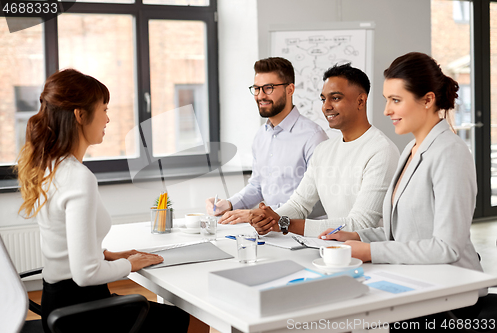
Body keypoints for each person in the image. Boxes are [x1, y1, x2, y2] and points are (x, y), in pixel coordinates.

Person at [15, 69, 201, 333]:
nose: (108, 118)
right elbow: (85, 274)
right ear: (80, 115)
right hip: (82, 314)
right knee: (194, 319)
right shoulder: (78, 177)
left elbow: (62, 240)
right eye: (103, 109)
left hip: (58, 304)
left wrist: (106, 256)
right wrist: (130, 264)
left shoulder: (50, 167)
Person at [320, 52, 485, 328]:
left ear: (428, 100)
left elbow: (447, 247)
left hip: (452, 301)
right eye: (386, 100)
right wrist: (357, 236)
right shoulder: (410, 149)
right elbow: (405, 231)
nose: (386, 110)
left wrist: (370, 250)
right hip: (417, 287)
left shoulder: (451, 153)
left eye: (396, 100)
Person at [249, 63, 400, 236]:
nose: (326, 106)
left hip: (370, 256)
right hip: (331, 250)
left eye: (335, 98)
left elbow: (359, 225)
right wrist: (268, 219)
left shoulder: (381, 151)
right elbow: (299, 205)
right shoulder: (324, 150)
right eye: (323, 99)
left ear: (360, 100)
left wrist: (283, 223)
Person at [205, 57, 328, 224]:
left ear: (290, 89)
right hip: (272, 228)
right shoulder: (261, 136)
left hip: (305, 232)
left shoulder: (313, 137)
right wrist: (229, 204)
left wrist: (258, 214)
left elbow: (318, 198)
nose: (260, 96)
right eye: (256, 89)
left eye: (268, 88)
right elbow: (257, 186)